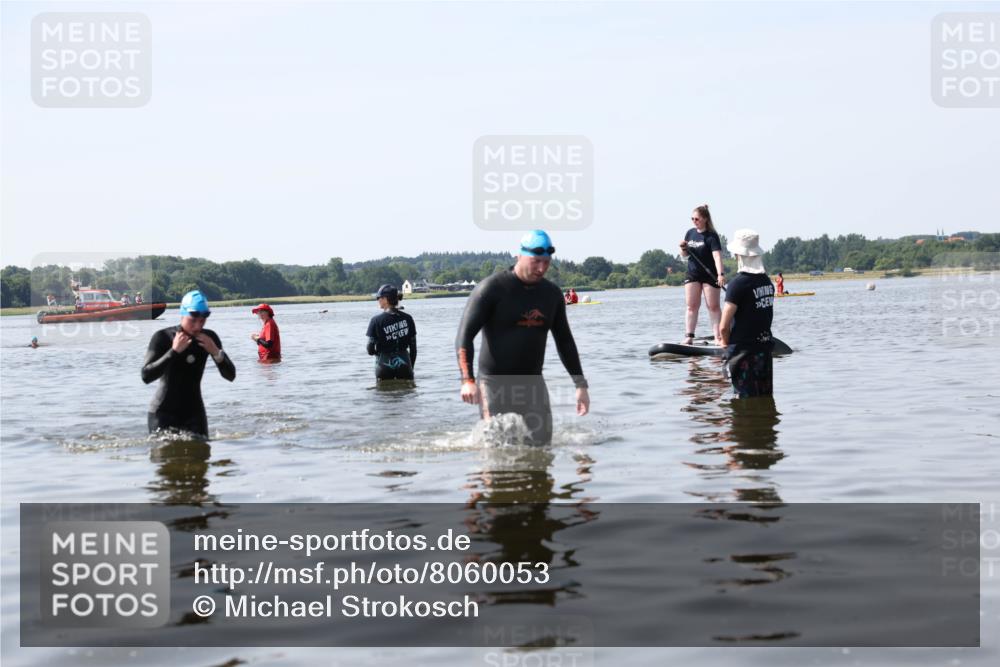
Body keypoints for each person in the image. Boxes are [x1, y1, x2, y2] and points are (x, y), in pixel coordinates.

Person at [455, 230, 590, 446]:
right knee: (496, 449)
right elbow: (464, 337)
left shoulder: (552, 294)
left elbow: (564, 341)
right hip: (493, 384)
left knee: (542, 447)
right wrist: (468, 381)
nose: (541, 268)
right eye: (536, 261)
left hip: (532, 384)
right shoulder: (491, 289)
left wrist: (580, 384)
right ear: (519, 256)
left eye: (546, 262)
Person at [141, 290, 236, 437]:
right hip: (162, 413)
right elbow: (146, 376)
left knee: (201, 456)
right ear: (183, 313)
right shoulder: (163, 337)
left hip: (194, 414)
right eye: (193, 319)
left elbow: (230, 376)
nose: (198, 326)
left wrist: (216, 353)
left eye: (203, 320)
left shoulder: (209, 338)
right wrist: (173, 351)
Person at [719, 229, 775, 398]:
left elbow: (723, 326)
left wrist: (724, 345)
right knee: (764, 398)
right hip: (764, 352)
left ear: (738, 255)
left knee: (744, 402)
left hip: (743, 355)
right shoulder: (767, 282)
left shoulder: (737, 284)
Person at [679, 204, 726, 345]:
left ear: (705, 219)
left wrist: (720, 274)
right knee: (691, 306)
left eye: (697, 219)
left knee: (713, 306)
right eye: (692, 219)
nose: (694, 221)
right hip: (693, 273)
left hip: (709, 274)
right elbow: (684, 255)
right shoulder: (690, 233)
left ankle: (718, 337)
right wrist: (682, 248)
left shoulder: (712, 236)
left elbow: (717, 256)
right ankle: (689, 336)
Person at [366, 284, 416, 381]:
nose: (378, 300)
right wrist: (411, 368)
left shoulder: (376, 320)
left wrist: (379, 353)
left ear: (385, 299)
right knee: (406, 394)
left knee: (384, 394)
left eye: (378, 298)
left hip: (384, 365)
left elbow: (370, 349)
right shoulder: (408, 318)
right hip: (405, 363)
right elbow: (413, 349)